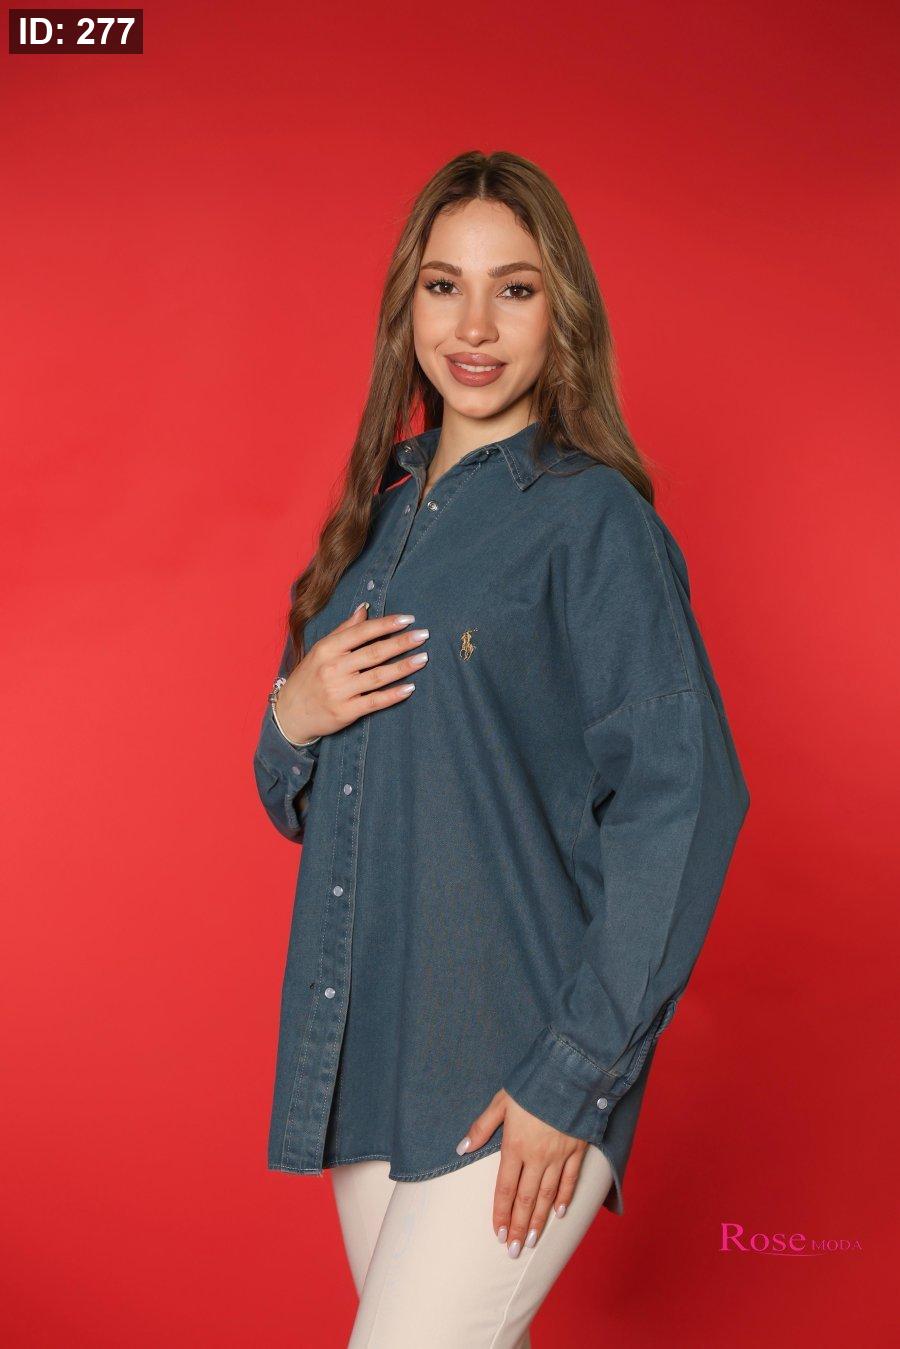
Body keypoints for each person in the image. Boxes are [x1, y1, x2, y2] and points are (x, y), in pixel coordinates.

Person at [251, 149, 751, 1346]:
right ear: (407, 306)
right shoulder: (376, 524)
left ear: (559, 309)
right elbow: (314, 800)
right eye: (445, 285)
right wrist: (289, 721)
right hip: (371, 1060)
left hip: (515, 1064)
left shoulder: (593, 521)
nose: (473, 325)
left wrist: (571, 1072)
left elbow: (685, 800)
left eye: (513, 288)